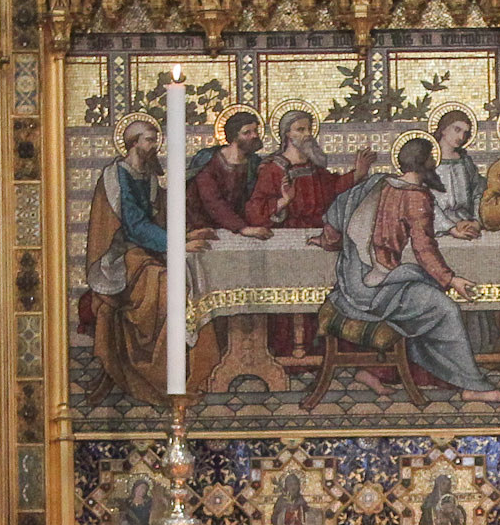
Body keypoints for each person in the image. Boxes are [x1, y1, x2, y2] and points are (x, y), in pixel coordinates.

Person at [311, 138, 500, 402]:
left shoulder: (378, 182)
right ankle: (472, 386)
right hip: (376, 290)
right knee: (444, 308)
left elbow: (336, 217)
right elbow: (424, 249)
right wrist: (452, 280)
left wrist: (325, 241)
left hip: (352, 285)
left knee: (422, 294)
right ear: (425, 163)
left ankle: (377, 371)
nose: (434, 164)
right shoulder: (415, 196)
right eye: (431, 160)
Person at [82, 113, 184, 400]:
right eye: (150, 140)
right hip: (117, 254)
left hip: (144, 249)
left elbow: (156, 216)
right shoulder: (117, 176)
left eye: (156, 140)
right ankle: (149, 367)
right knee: (162, 281)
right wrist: (176, 243)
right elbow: (133, 225)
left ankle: (163, 366)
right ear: (133, 143)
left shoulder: (147, 175)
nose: (155, 146)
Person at [249, 109, 371, 231]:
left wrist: (358, 173)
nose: (308, 134)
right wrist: (284, 201)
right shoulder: (273, 169)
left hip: (319, 231)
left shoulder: (314, 167)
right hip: (289, 234)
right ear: (287, 134)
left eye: (309, 129)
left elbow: (334, 188)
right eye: (301, 130)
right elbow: (255, 212)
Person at [187, 110, 270, 239]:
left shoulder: (254, 163)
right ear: (234, 136)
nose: (254, 136)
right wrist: (242, 228)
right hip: (204, 227)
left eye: (255, 131)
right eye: (247, 132)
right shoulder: (210, 162)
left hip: (239, 227)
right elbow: (212, 201)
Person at [430, 109, 486, 239]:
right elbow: (425, 200)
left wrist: (476, 221)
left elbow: (478, 192)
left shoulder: (465, 161)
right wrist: (450, 228)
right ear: (443, 129)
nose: (461, 137)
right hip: (437, 225)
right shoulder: (428, 161)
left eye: (465, 133)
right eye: (457, 130)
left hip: (466, 222)